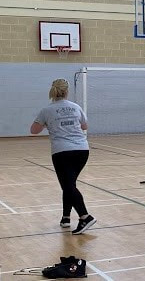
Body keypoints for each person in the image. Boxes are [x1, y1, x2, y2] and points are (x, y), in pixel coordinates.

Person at [30, 78, 97, 235]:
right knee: (69, 184)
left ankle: (85, 216)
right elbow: (84, 126)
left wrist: (47, 123)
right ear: (67, 91)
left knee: (68, 185)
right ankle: (66, 218)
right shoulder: (75, 107)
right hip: (82, 150)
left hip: (62, 152)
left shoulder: (47, 110)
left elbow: (34, 130)